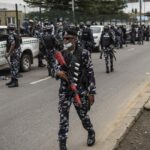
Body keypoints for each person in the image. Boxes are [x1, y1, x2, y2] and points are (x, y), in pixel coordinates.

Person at [52, 26, 96, 150]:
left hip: (80, 90)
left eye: (68, 38)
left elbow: (90, 73)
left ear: (75, 39)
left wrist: (91, 92)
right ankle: (62, 143)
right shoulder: (61, 53)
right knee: (63, 118)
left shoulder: (84, 53)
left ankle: (91, 131)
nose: (65, 40)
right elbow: (54, 69)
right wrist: (57, 73)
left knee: (83, 115)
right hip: (65, 91)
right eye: (64, 38)